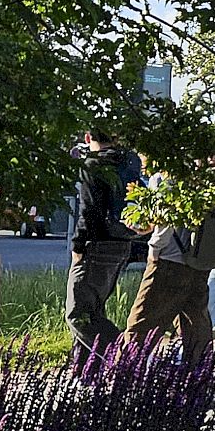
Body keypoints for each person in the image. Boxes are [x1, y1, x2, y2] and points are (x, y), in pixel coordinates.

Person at [126, 199, 215, 367]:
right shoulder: (203, 176)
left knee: (141, 324)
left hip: (169, 260)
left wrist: (154, 248)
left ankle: (124, 375)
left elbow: (165, 214)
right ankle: (199, 377)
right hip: (199, 258)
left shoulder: (165, 175)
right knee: (195, 325)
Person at [64, 132, 143, 370]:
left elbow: (89, 211)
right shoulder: (129, 161)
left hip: (97, 244)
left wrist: (78, 246)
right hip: (122, 241)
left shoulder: (93, 165)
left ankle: (126, 356)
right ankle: (85, 371)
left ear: (88, 137)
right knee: (94, 309)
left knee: (78, 314)